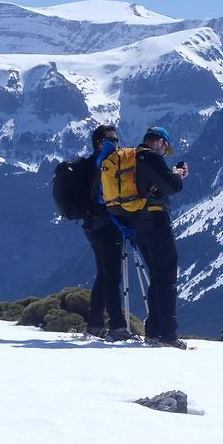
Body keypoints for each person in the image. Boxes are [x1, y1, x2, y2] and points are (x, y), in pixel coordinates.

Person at [126, 126, 189, 349]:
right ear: (160, 142)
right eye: (166, 147)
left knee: (156, 275)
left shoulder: (131, 158)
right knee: (167, 275)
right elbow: (172, 187)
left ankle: (153, 331)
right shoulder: (151, 157)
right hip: (156, 221)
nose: (165, 152)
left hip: (137, 224)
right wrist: (178, 175)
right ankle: (168, 335)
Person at [82, 124, 132, 340]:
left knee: (104, 274)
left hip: (92, 226)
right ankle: (117, 326)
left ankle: (94, 323)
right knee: (112, 276)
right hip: (108, 225)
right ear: (99, 143)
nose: (115, 143)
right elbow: (106, 198)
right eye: (111, 140)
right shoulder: (103, 164)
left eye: (117, 139)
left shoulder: (88, 163)